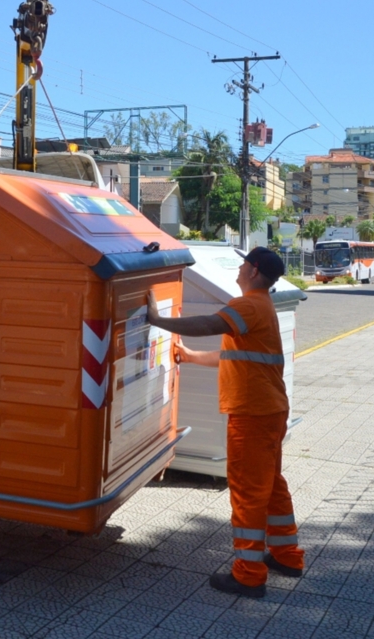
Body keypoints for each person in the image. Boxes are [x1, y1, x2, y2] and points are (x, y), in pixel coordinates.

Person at [146, 246, 305, 598]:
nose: (238, 267)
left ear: (252, 270)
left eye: (243, 263)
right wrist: (188, 356)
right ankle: (287, 556)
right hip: (270, 411)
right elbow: (231, 355)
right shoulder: (261, 306)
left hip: (252, 415)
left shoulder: (247, 305)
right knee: (271, 485)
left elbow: (207, 324)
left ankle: (249, 574)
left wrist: (158, 320)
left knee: (249, 492)